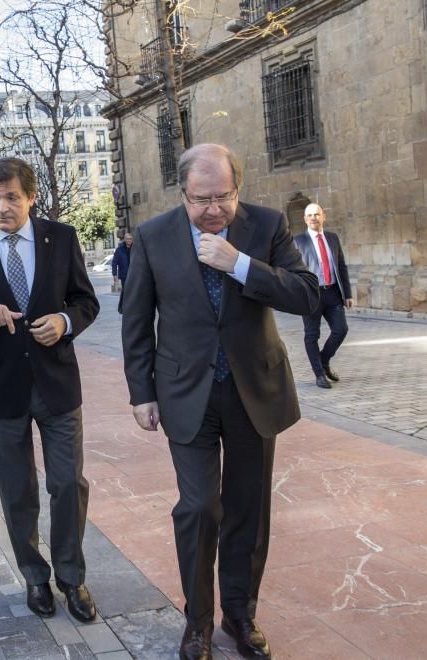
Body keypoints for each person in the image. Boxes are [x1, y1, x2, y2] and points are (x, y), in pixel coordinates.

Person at [121, 144, 319, 660]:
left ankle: (239, 615)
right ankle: (198, 622)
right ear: (182, 193)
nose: (213, 209)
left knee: (248, 512)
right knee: (198, 507)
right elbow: (137, 320)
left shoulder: (267, 227)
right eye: (201, 199)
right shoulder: (153, 236)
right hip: (187, 394)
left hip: (255, 389)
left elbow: (305, 294)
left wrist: (241, 265)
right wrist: (141, 392)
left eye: (223, 197)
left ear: (238, 188)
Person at [0, 158, 100, 623]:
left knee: (68, 483)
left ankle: (72, 577)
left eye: (11, 197)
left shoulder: (61, 237)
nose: (2, 207)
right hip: (0, 386)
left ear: (31, 197)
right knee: (17, 490)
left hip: (57, 382)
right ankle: (35, 576)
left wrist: (66, 321)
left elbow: (86, 300)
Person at [292, 203, 353, 389]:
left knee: (341, 329)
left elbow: (341, 266)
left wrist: (347, 294)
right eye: (309, 215)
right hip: (311, 294)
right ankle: (319, 374)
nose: (313, 218)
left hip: (333, 292)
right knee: (312, 335)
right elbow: (292, 270)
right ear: (305, 219)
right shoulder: (298, 241)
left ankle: (323, 360)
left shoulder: (332, 238)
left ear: (323, 216)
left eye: (316, 214)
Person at [111, 233, 132, 313]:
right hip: (124, 274)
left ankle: (131, 306)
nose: (129, 240)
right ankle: (121, 308)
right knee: (125, 290)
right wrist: (114, 274)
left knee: (133, 291)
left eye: (130, 239)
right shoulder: (119, 250)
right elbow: (114, 263)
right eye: (128, 239)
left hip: (134, 274)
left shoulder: (135, 249)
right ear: (125, 239)